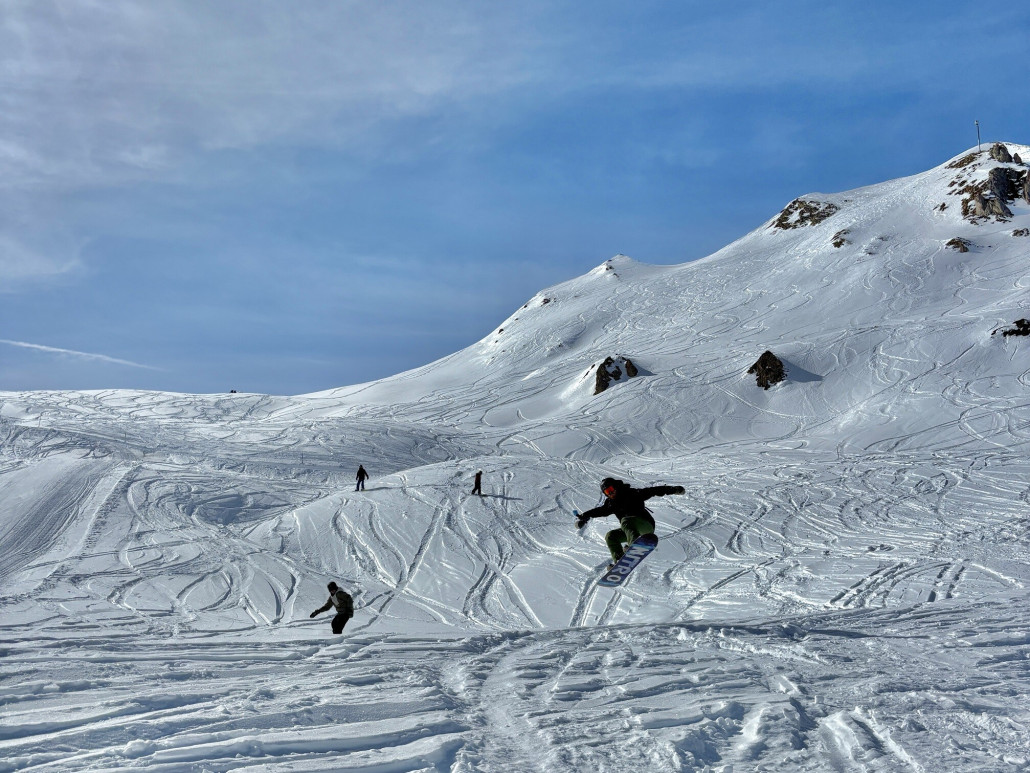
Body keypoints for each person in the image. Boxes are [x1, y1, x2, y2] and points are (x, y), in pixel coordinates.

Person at [576, 477, 685, 566]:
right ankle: (619, 560)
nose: (610, 493)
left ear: (616, 486)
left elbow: (653, 491)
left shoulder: (631, 493)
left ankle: (634, 544)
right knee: (611, 536)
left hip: (645, 524)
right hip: (630, 529)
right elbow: (599, 511)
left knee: (626, 521)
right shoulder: (611, 504)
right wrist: (584, 517)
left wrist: (673, 489)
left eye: (611, 489)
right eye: (607, 492)